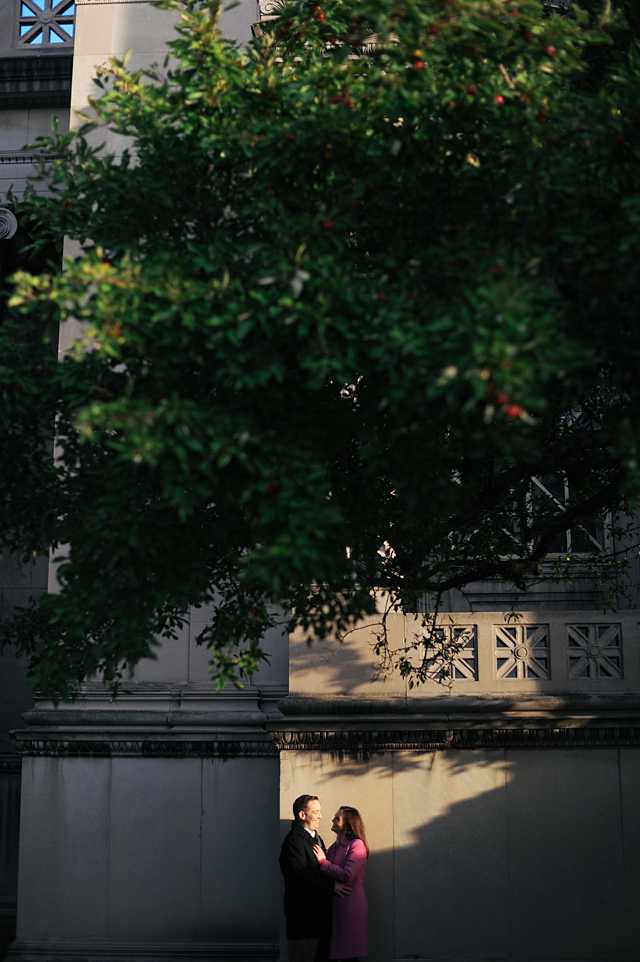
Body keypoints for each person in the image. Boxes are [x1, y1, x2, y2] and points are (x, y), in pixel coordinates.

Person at [279, 794, 353, 962]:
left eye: (320, 811)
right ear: (302, 815)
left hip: (318, 921)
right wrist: (332, 886)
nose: (320, 816)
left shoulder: (314, 838)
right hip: (305, 921)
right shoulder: (293, 841)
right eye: (316, 812)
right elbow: (301, 875)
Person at [312, 806, 369, 962]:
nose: (333, 820)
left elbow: (348, 875)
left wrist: (324, 862)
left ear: (348, 824)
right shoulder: (333, 848)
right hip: (336, 905)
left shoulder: (357, 845)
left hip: (351, 906)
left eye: (338, 818)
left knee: (348, 954)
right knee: (339, 953)